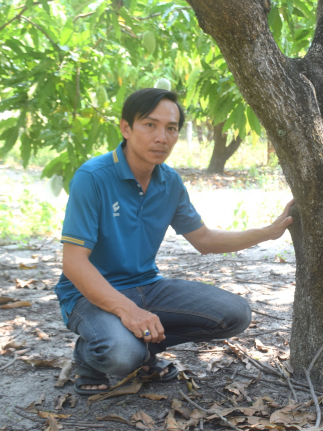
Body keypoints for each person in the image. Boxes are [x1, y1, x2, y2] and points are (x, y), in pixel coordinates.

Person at [56, 88, 294, 396]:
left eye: (171, 128)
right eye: (150, 125)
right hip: (89, 295)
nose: (162, 137)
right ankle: (90, 356)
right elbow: (74, 263)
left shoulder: (169, 182)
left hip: (147, 285)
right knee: (120, 355)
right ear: (126, 128)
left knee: (235, 314)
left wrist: (267, 232)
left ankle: (139, 347)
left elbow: (204, 239)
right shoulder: (93, 177)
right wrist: (129, 311)